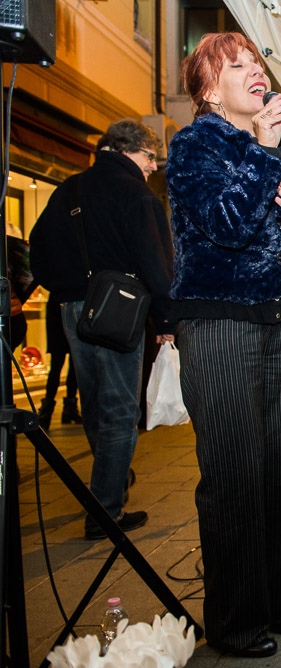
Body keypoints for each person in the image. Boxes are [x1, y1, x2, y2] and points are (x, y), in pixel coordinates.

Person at [166, 32, 281, 659]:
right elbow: (226, 227)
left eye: (258, 63)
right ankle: (235, 624)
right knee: (235, 475)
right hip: (218, 323)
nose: (257, 71)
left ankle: (277, 605)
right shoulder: (195, 146)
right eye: (238, 65)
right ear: (210, 89)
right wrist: (261, 150)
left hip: (278, 321)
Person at [29, 118, 174, 540]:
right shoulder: (136, 194)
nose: (153, 167)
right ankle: (105, 512)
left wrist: (66, 289)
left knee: (93, 404)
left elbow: (36, 249)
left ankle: (112, 478)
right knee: (120, 410)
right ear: (127, 150)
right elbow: (156, 261)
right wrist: (166, 319)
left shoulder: (69, 189)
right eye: (150, 157)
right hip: (118, 309)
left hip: (73, 309)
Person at [38, 298, 82, 430]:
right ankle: (67, 408)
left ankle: (48, 411)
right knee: (67, 366)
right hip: (68, 307)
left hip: (58, 308)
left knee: (59, 366)